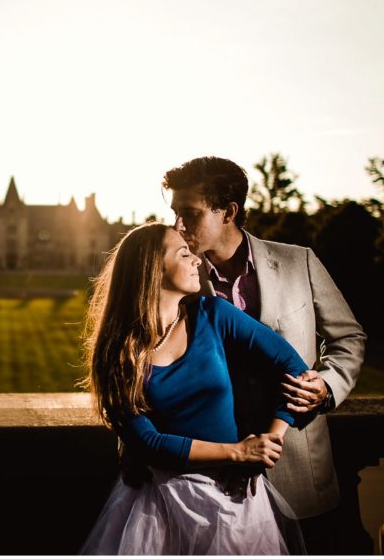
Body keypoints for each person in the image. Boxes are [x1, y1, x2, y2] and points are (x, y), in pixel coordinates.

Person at [162, 156, 367, 553]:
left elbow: (349, 339)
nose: (178, 227)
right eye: (174, 214)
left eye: (190, 214)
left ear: (229, 212)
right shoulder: (170, 277)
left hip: (299, 468)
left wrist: (327, 384)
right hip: (210, 476)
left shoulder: (298, 262)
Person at [80, 222, 310, 555]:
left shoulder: (214, 315)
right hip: (159, 504)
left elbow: (295, 370)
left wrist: (268, 443)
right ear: (152, 267)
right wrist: (237, 452)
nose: (197, 261)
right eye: (184, 253)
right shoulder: (117, 352)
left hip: (232, 498)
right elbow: (147, 442)